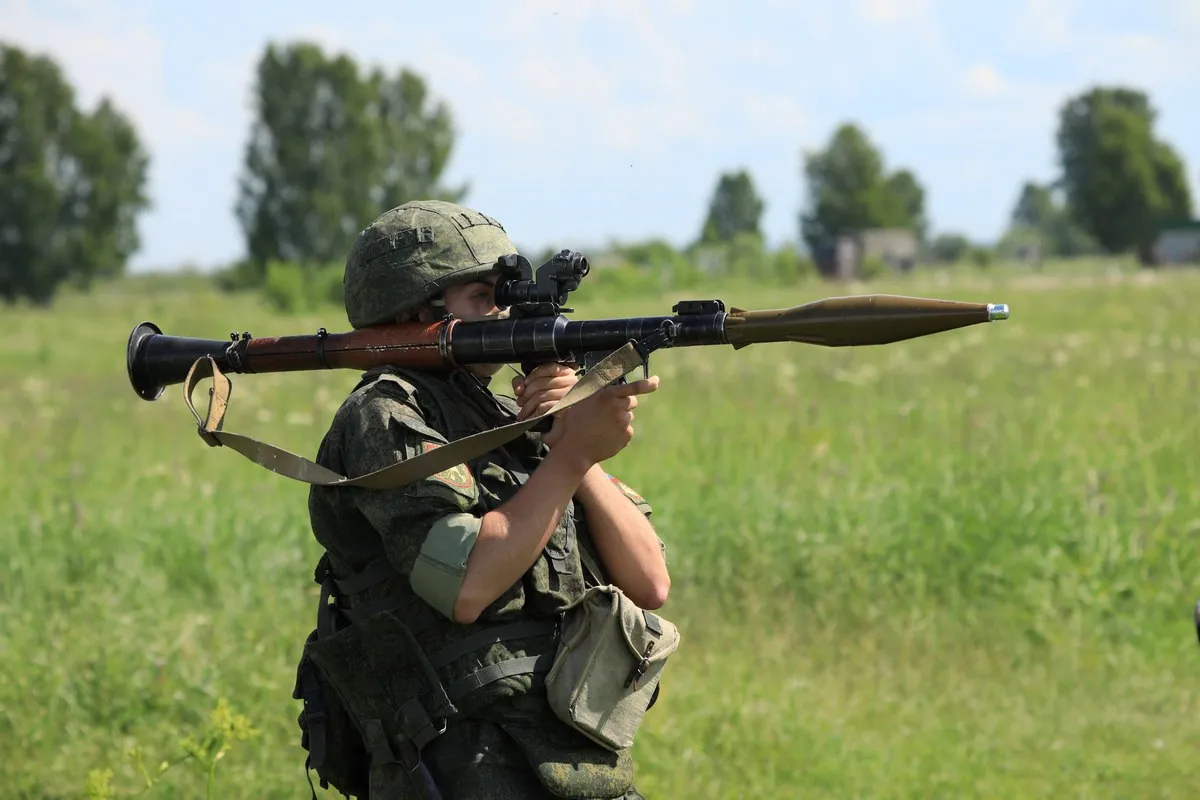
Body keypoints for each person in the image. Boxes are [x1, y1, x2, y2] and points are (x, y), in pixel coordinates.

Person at [299, 199, 671, 799]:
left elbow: (649, 582)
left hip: (570, 759)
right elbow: (467, 586)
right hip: (459, 763)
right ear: (418, 311)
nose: (505, 310)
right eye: (484, 295)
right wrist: (571, 454)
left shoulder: (500, 415)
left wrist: (570, 439)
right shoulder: (386, 413)